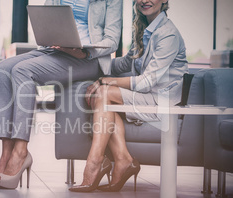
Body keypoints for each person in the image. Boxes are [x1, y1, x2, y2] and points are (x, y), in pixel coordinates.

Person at [0, 0, 123, 189]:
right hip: (54, 50)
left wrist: (85, 50)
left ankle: (21, 152)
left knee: (22, 71)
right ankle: (6, 155)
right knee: (3, 69)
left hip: (88, 58)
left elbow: (113, 39)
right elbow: (45, 21)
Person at [71, 0, 189, 192]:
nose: (145, 1)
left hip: (161, 101)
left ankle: (95, 162)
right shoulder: (144, 29)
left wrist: (107, 81)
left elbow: (147, 82)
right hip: (146, 96)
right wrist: (91, 60)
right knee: (102, 97)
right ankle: (123, 159)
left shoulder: (168, 34)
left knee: (103, 92)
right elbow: (126, 64)